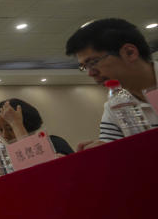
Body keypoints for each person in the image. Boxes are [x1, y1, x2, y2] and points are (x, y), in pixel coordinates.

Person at [65, 18, 157, 149]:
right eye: (84, 67)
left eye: (93, 62)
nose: (90, 73)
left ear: (129, 53)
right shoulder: (115, 105)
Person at [0, 99, 74, 155]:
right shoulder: (12, 156)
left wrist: (16, 124)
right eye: (0, 130)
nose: (5, 135)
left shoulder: (53, 143)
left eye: (10, 128)